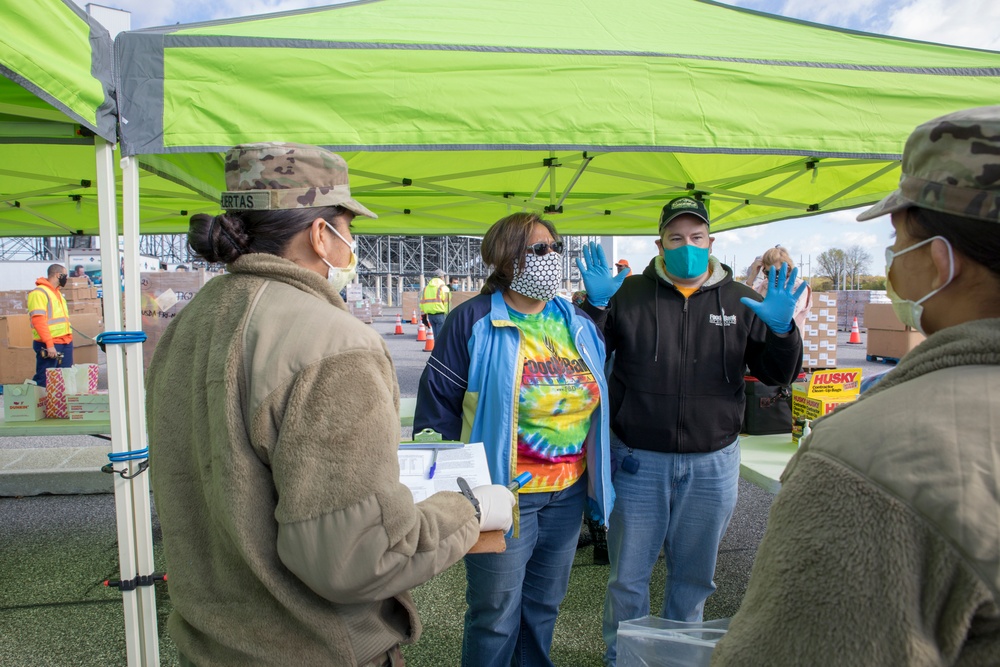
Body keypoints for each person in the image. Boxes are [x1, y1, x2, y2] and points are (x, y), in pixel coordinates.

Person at [144, 142, 514, 667]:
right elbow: (357, 557)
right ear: (322, 234)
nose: (352, 245)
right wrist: (469, 512)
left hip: (210, 644)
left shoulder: (190, 321)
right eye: (349, 228)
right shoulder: (333, 342)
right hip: (311, 646)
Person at [712, 106, 1000, 665]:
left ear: (937, 262)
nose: (892, 262)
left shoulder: (872, 454)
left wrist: (780, 333)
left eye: (898, 242)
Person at [575, 195, 804, 666]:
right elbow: (583, 358)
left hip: (713, 462)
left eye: (696, 238)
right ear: (660, 243)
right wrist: (594, 308)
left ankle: (677, 659)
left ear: (711, 241)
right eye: (676, 238)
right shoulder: (628, 294)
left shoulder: (743, 300)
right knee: (629, 577)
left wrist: (783, 332)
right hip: (637, 459)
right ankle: (624, 658)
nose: (687, 247)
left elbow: (778, 375)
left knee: (695, 578)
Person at [413, 211, 615, 667]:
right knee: (495, 613)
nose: (551, 257)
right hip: (499, 495)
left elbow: (602, 394)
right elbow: (437, 406)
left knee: (543, 607)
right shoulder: (472, 321)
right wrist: (444, 489)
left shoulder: (577, 322)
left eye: (554, 248)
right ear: (506, 258)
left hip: (567, 493)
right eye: (537, 249)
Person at [745, 246, 812, 331]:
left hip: (787, 340)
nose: (772, 276)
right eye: (768, 272)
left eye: (776, 272)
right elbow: (746, 305)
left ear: (787, 268)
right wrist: (752, 276)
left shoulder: (799, 287)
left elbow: (786, 318)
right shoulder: (765, 284)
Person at [28, 263, 73, 387]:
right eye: (65, 276)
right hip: (50, 344)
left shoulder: (57, 293)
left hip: (65, 341)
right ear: (58, 275)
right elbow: (39, 321)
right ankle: (41, 405)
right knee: (45, 379)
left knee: (64, 379)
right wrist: (49, 344)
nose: (66, 279)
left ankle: (59, 406)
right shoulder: (39, 293)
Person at [420, 268, 450, 335]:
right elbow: (447, 303)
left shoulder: (426, 288)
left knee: (436, 337)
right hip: (440, 314)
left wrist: (423, 316)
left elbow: (422, 303)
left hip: (430, 316)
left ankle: (436, 345)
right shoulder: (443, 287)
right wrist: (448, 315)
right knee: (441, 337)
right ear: (441, 277)